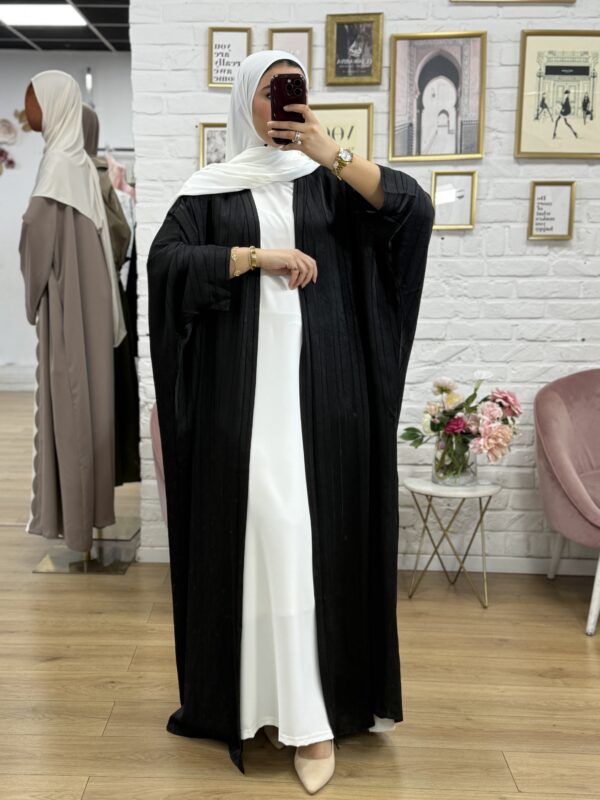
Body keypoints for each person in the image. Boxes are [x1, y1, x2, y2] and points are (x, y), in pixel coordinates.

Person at [147, 50, 434, 794]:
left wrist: (328, 150)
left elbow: (411, 211)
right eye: (270, 91)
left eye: (292, 89)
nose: (281, 102)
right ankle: (258, 703)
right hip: (241, 405)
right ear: (246, 100)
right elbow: (167, 264)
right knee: (262, 544)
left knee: (311, 549)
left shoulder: (330, 183)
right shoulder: (212, 189)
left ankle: (312, 719)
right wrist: (255, 257)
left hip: (326, 403)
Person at [19, 70, 126, 553]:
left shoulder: (56, 170)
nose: (29, 110)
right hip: (95, 304)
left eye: (34, 100)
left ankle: (76, 528)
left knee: (71, 403)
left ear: (55, 106)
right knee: (92, 405)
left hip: (68, 305)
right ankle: (92, 515)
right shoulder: (82, 166)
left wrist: (33, 295)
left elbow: (36, 243)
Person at [82, 103, 141, 486]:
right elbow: (121, 232)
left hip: (96, 294)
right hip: (106, 289)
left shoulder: (92, 175)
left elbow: (120, 233)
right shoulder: (98, 175)